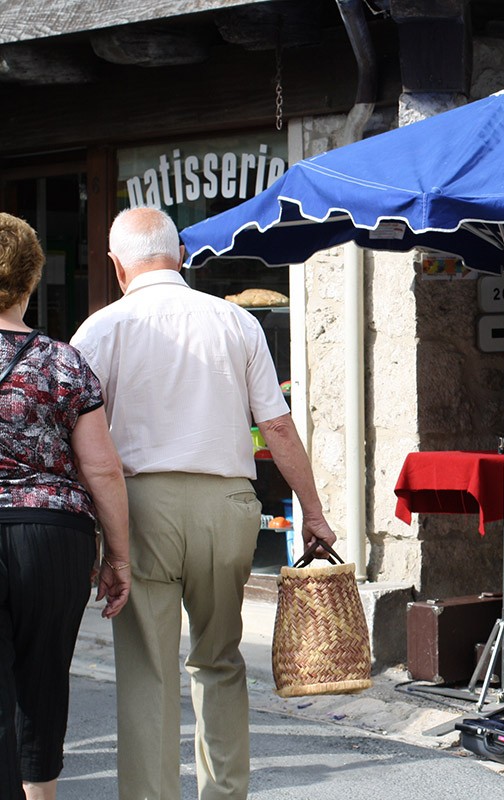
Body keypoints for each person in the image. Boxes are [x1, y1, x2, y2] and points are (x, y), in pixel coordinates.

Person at [70, 207, 337, 800]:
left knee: (149, 672)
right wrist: (313, 513)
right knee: (219, 659)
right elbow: (279, 427)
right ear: (183, 256)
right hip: (228, 506)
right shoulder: (235, 322)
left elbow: (84, 445)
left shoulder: (100, 329)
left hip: (141, 505)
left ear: (117, 266)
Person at [0, 213, 131, 799]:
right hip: (52, 534)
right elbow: (101, 466)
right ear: (32, 280)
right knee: (44, 678)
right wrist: (118, 557)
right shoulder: (61, 361)